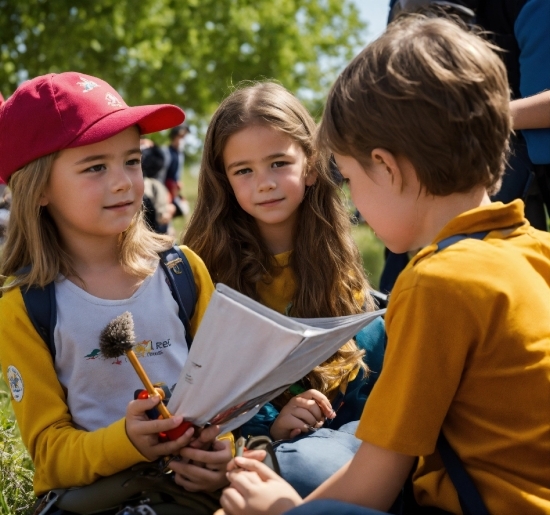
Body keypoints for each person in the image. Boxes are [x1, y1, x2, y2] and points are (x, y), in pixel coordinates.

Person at [217, 16, 550, 515]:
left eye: (350, 178)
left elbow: (373, 483)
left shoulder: (437, 279)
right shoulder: (536, 249)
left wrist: (281, 510)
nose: (354, 204)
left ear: (387, 168)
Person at [0, 72, 232, 509]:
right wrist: (126, 441)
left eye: (131, 160)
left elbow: (224, 399)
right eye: (95, 167)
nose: (124, 181)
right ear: (39, 188)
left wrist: (224, 450)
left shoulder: (182, 271)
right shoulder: (25, 307)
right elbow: (49, 454)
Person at [183, 81, 386, 497]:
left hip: (345, 442)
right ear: (224, 179)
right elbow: (197, 386)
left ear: (310, 166)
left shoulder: (342, 269)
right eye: (244, 170)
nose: (264, 183)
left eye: (278, 163)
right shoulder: (199, 271)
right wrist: (271, 422)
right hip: (245, 450)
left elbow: (372, 391)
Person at [162, 123, 191, 218]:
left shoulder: (180, 154)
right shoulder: (165, 152)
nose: (183, 139)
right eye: (181, 136)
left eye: (185, 137)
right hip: (164, 192)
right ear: (174, 136)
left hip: (174, 192)